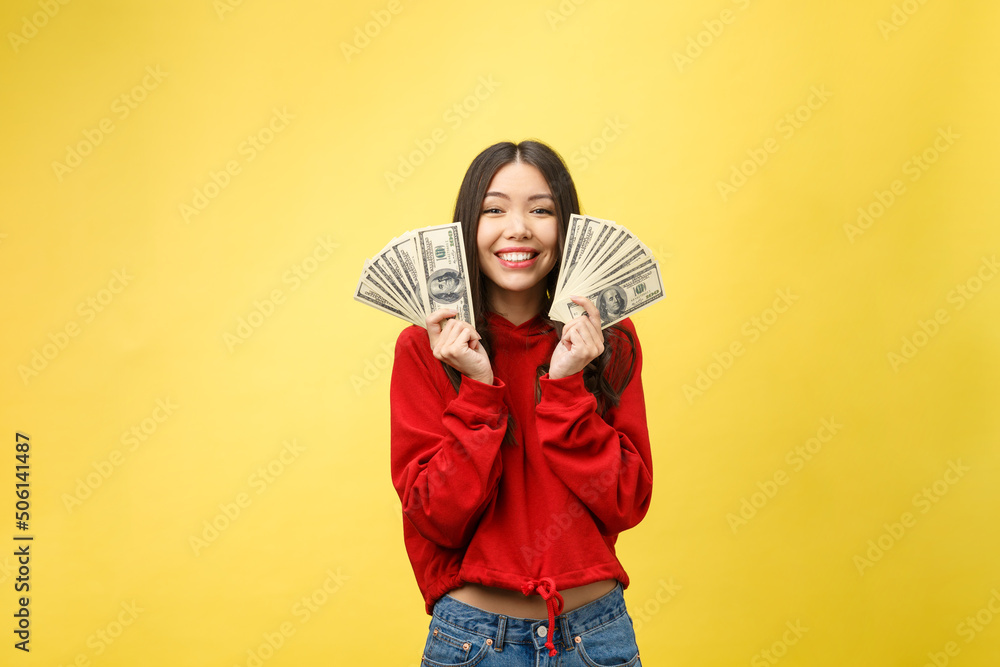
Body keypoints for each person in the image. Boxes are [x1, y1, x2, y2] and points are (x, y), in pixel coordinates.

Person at [390, 140, 653, 666]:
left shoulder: (610, 341)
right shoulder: (424, 348)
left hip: (595, 639)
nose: (518, 229)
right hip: (474, 643)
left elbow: (626, 501)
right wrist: (480, 391)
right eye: (494, 209)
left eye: (541, 210)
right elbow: (436, 517)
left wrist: (566, 386)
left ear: (568, 229)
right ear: (469, 227)